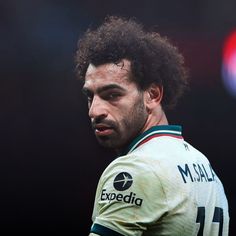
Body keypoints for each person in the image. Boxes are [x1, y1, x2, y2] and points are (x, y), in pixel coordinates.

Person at [75, 16, 229, 236]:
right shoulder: (204, 166)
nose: (94, 111)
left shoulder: (136, 170)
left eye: (112, 95)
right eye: (91, 96)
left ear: (152, 95)